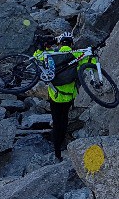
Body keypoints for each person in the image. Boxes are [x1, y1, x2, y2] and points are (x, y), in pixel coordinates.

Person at [32, 31, 87, 159]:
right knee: (64, 120)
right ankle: (64, 143)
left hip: (55, 96)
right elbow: (89, 63)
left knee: (56, 122)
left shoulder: (51, 54)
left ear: (60, 43)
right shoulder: (76, 54)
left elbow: (37, 55)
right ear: (72, 43)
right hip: (69, 97)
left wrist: (46, 45)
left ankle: (57, 152)